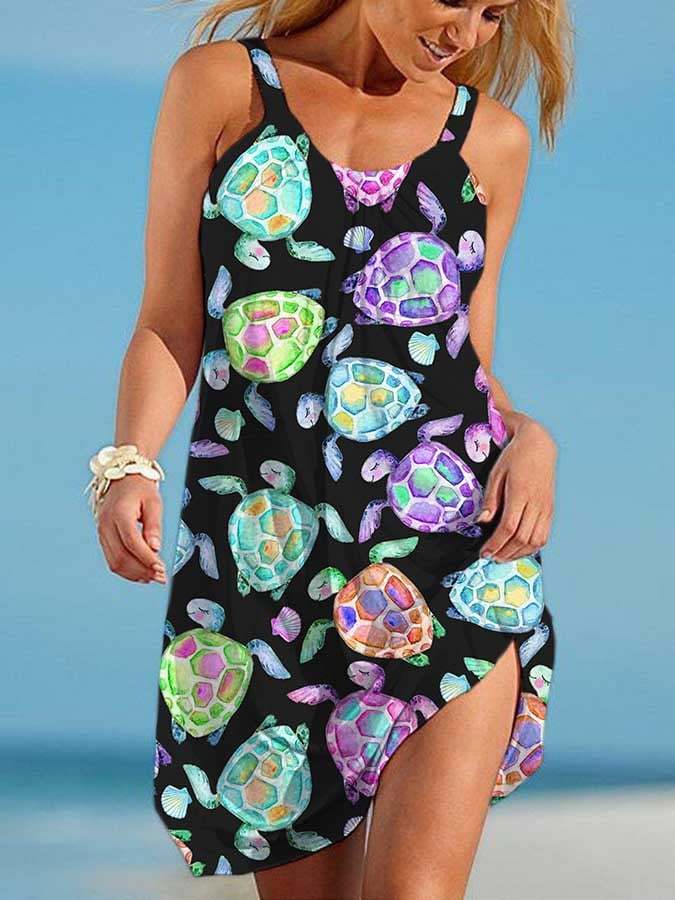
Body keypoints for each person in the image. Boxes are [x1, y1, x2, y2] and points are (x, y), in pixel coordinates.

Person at [86, 1, 571, 897]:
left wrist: (530, 436)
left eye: (493, 13)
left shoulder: (489, 142)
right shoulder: (224, 86)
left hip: (449, 556)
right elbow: (169, 318)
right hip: (268, 569)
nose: (465, 33)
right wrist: (129, 462)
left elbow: (464, 359)